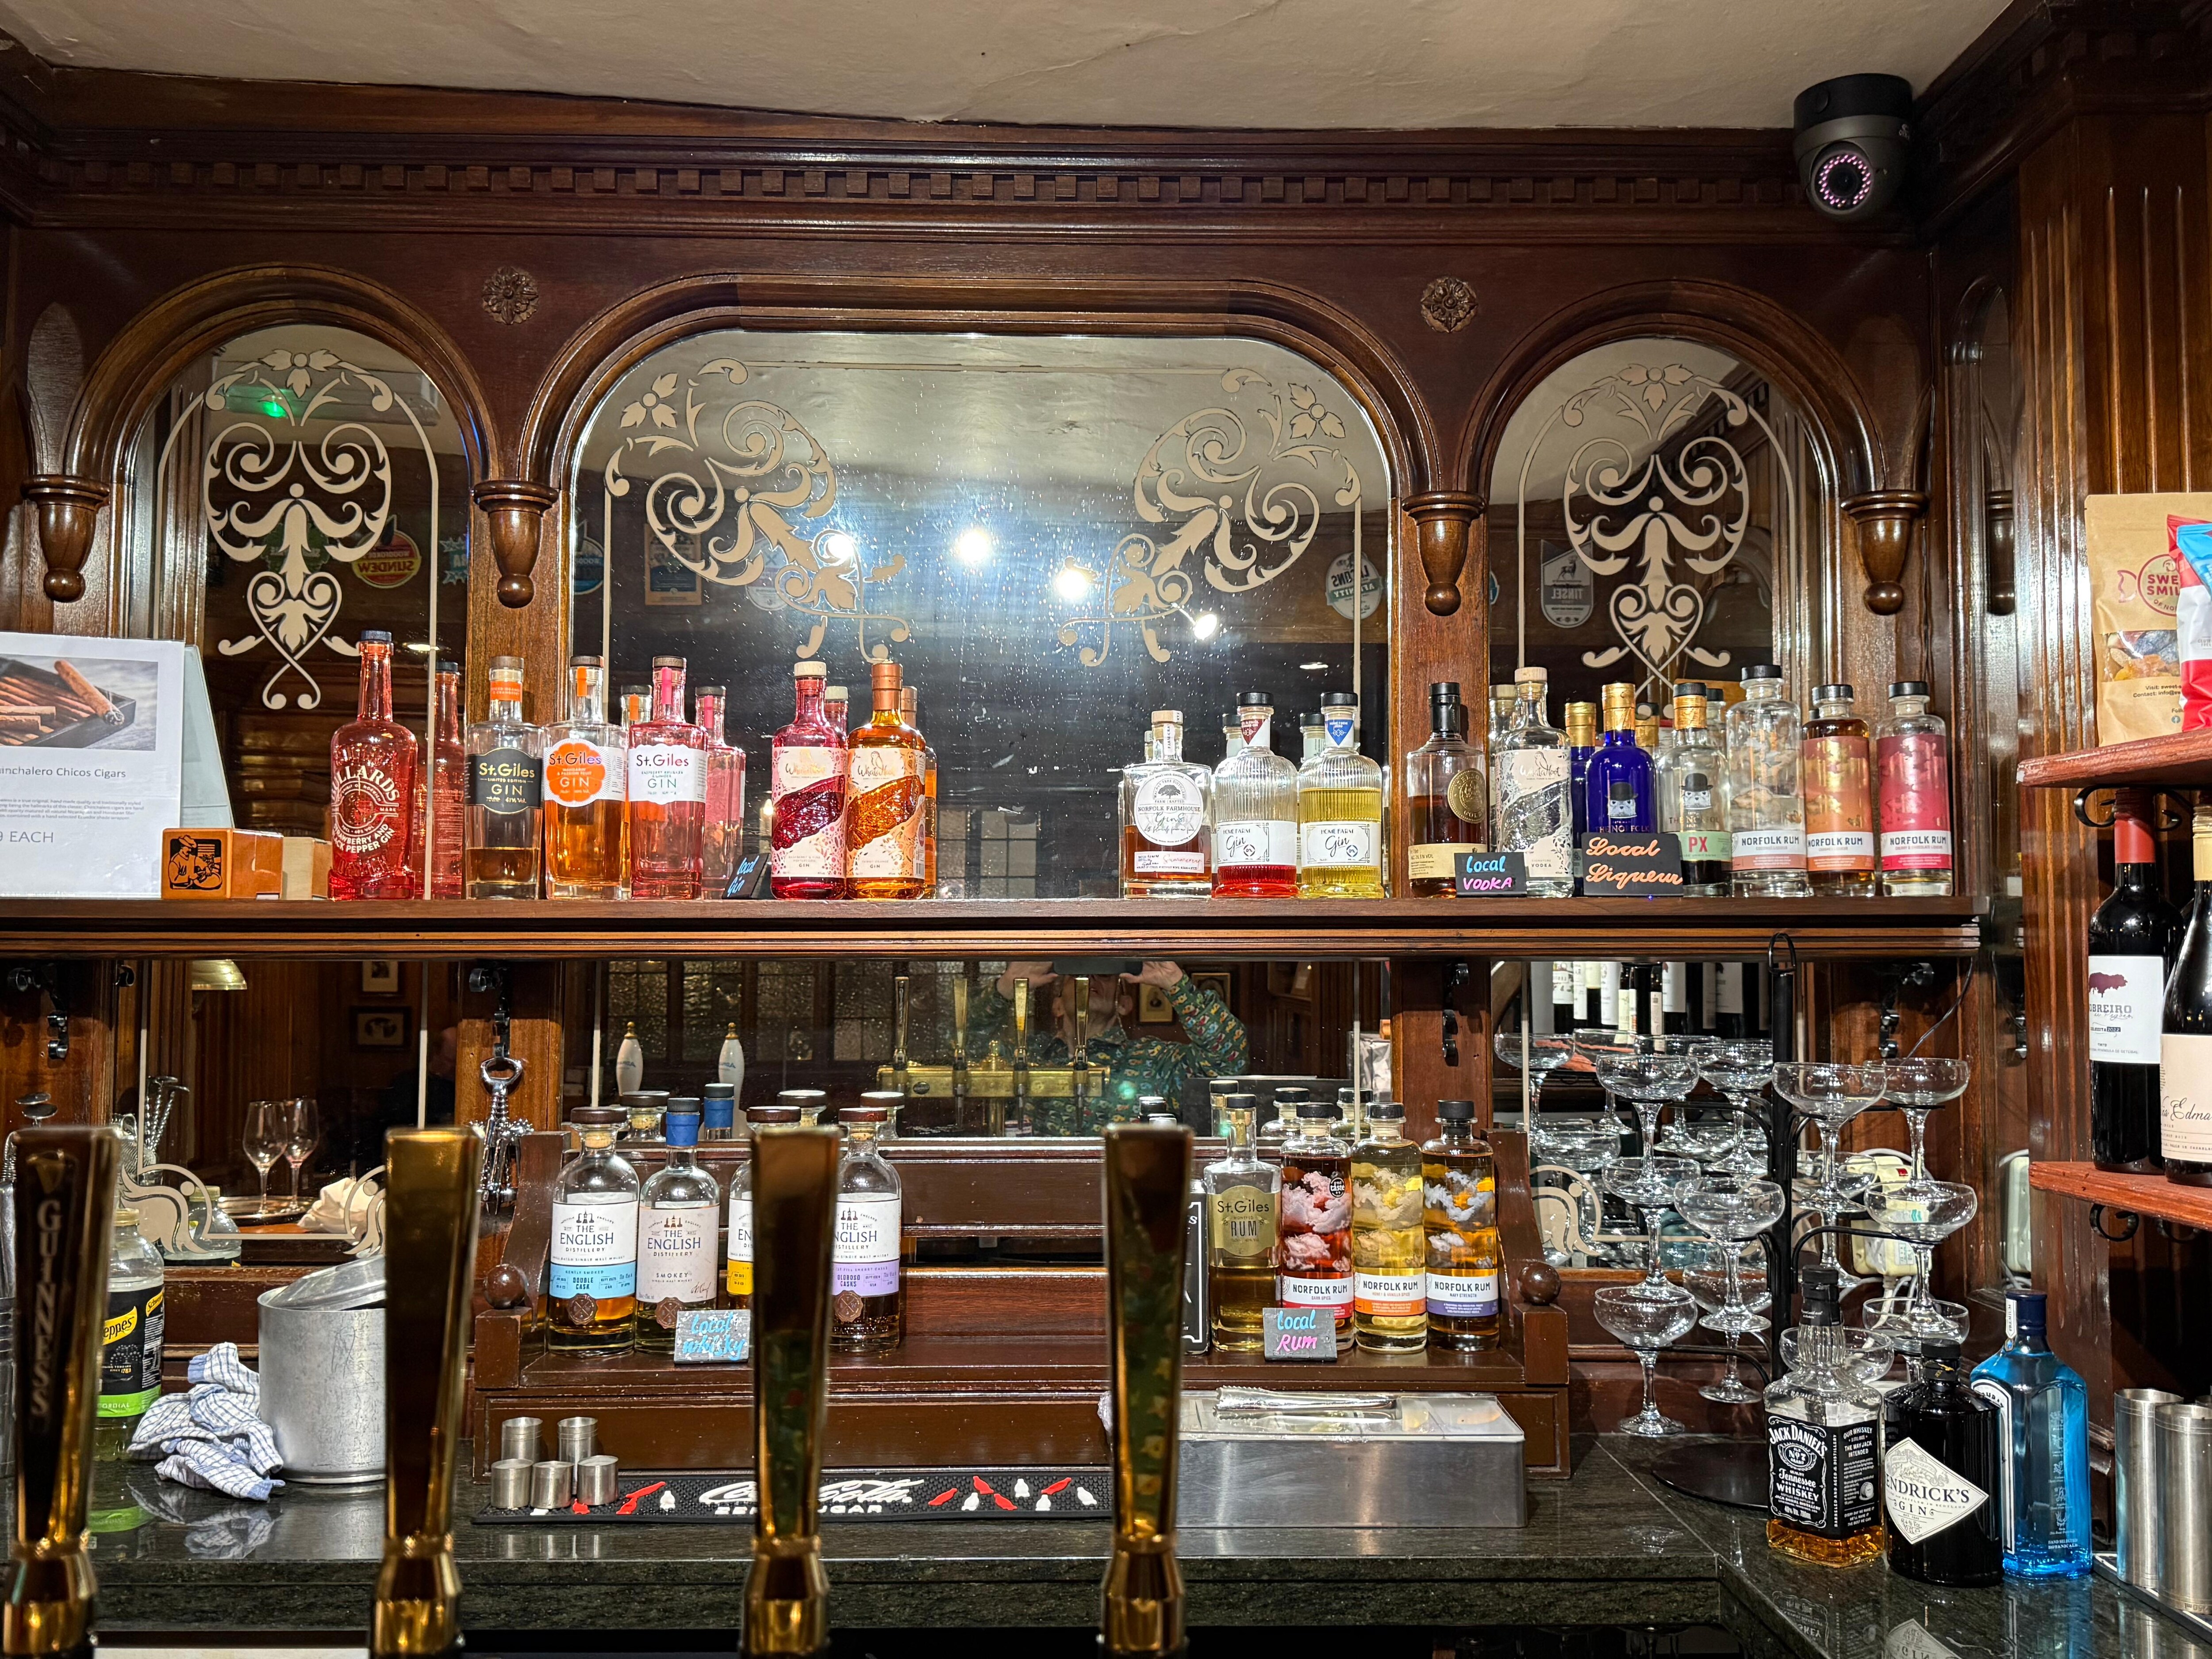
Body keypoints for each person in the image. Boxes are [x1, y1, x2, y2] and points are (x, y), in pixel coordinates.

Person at [967, 961, 1246, 1134]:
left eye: (1103, 972)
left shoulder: (1153, 1061)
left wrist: (1177, 986)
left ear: (1124, 1005)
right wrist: (1005, 988)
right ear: (1056, 1005)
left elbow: (1227, 1061)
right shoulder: (1027, 1056)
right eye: (1076, 973)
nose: (1088, 979)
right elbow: (964, 1047)